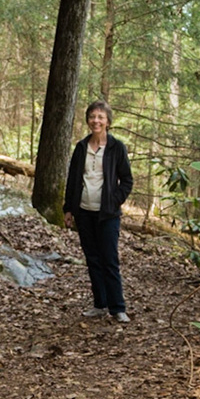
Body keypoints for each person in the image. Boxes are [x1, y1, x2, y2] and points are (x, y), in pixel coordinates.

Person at [62, 100, 134, 322]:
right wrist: (68, 208)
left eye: (100, 117)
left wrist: (114, 201)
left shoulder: (116, 148)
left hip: (108, 214)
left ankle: (117, 307)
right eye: (93, 116)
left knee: (109, 259)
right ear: (88, 120)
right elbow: (73, 179)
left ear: (108, 122)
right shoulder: (81, 147)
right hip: (84, 211)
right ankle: (99, 304)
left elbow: (127, 180)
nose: (96, 120)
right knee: (92, 259)